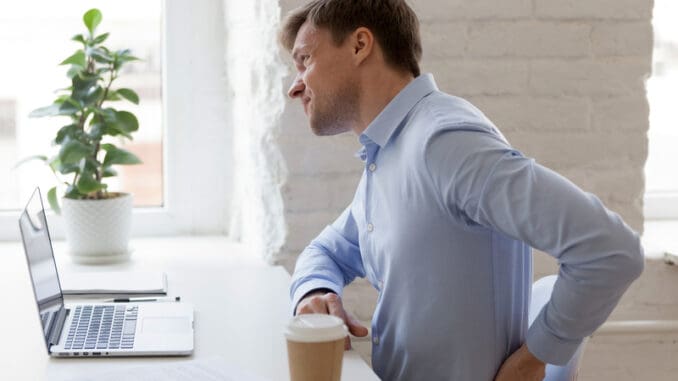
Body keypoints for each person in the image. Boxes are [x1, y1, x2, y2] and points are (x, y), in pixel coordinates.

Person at [279, 1, 645, 380]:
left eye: (305, 59)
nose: (296, 86)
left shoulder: (444, 144)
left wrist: (533, 360)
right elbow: (325, 251)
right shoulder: (388, 154)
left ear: (360, 45)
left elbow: (611, 249)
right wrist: (315, 293)